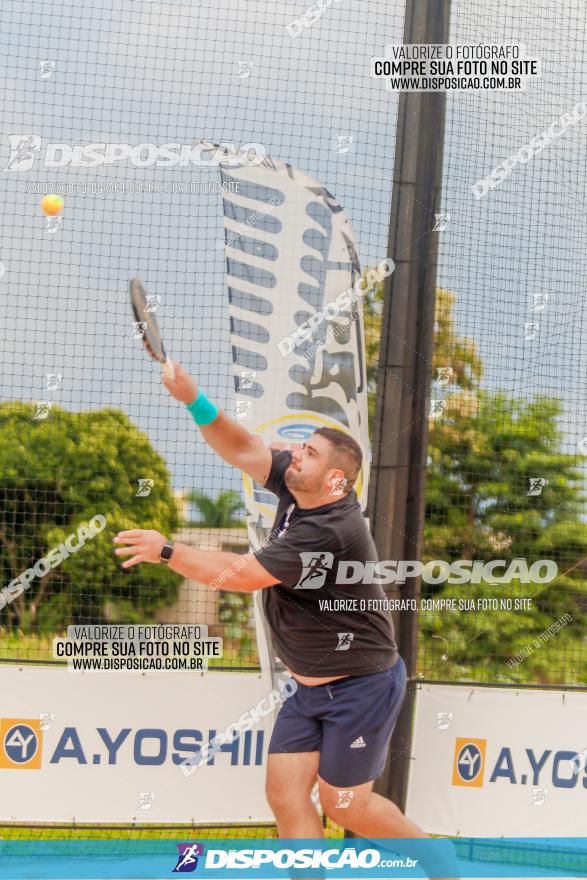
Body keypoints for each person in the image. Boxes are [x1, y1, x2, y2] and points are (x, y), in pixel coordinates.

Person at [113, 363, 427, 841]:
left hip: (363, 685)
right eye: (301, 447)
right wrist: (194, 399)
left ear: (337, 480)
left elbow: (242, 576)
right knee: (284, 795)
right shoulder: (301, 488)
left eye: (310, 453)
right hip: (308, 688)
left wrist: (168, 551)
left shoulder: (331, 529)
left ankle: (441, 865)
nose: (295, 455)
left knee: (346, 807)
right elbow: (244, 448)